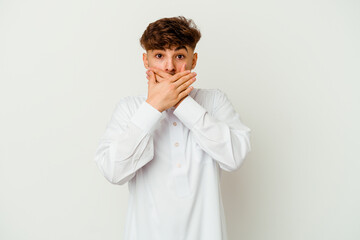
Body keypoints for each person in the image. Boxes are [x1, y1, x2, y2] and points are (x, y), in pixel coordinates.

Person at [94, 16, 251, 240]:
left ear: (193, 60)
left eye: (179, 56)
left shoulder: (214, 101)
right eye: (159, 55)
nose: (169, 67)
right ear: (145, 61)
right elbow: (113, 171)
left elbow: (234, 157)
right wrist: (155, 106)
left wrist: (181, 103)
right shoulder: (130, 109)